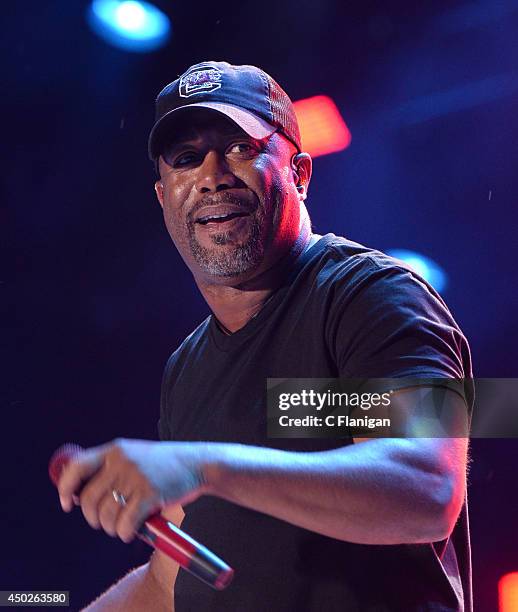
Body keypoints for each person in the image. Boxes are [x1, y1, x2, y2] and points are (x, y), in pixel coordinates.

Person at [57, 61, 474, 611]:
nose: (212, 175)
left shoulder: (372, 296)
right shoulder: (186, 369)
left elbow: (425, 492)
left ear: (300, 172)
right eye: (186, 158)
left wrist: (203, 466)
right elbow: (168, 579)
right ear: (163, 197)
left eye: (240, 147)